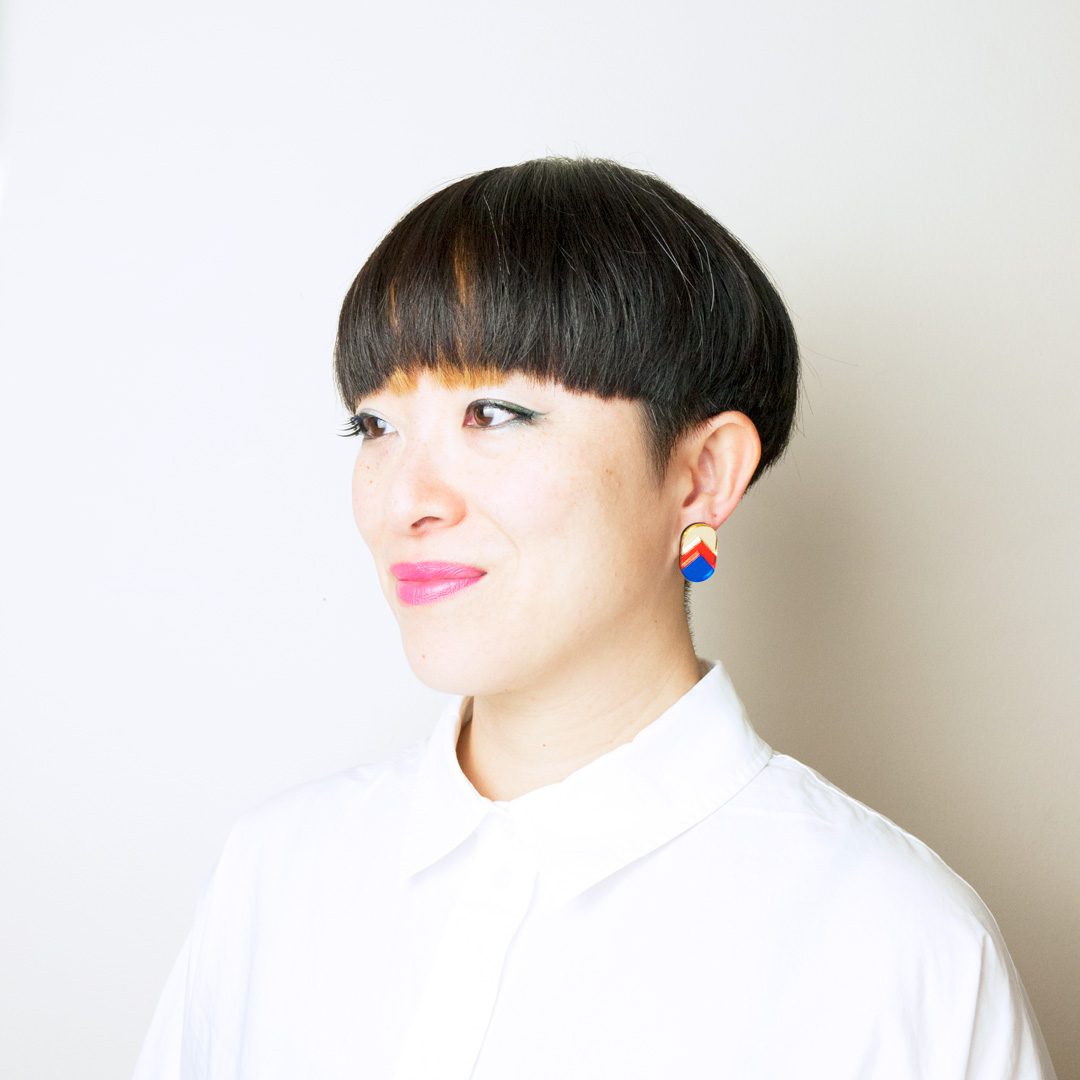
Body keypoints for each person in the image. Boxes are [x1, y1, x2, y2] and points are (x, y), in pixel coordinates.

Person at [132, 156, 1058, 1079]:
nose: (405, 500)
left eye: (493, 413)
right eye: (375, 427)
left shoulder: (900, 948)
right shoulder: (277, 874)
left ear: (701, 475)